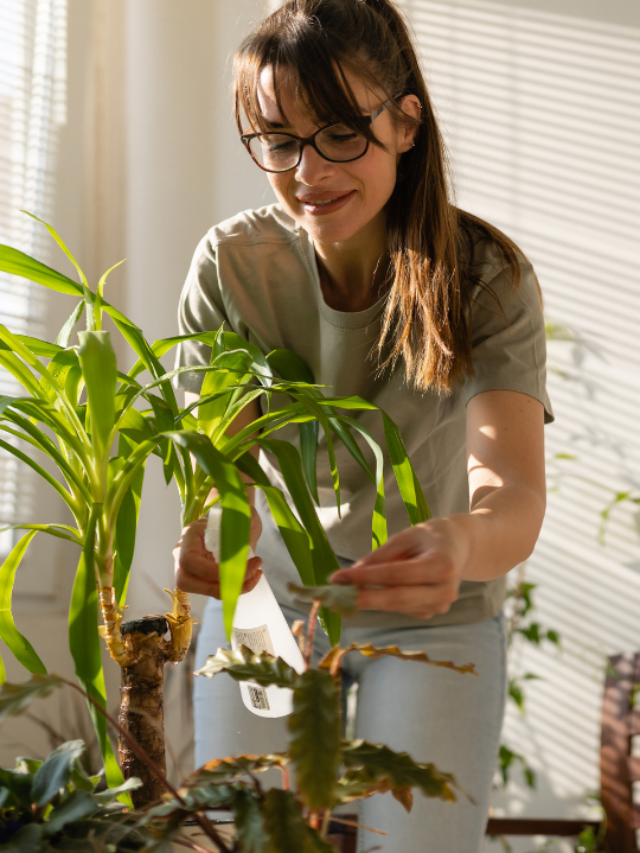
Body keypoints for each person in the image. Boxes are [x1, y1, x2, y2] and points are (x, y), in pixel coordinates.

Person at [172, 1, 553, 850]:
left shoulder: (485, 278)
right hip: (267, 595)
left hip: (435, 600)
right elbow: (223, 468)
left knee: (414, 840)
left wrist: (457, 543)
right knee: (256, 836)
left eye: (340, 131)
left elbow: (514, 494)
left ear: (405, 122)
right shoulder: (233, 266)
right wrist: (212, 526)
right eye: (277, 137)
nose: (307, 169)